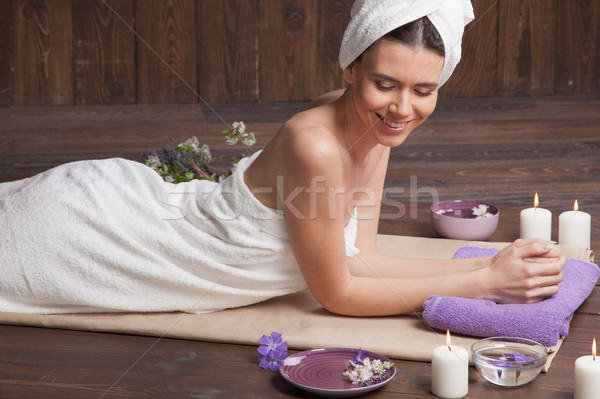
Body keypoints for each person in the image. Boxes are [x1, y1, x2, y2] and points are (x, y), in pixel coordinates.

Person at [0, 0, 564, 315]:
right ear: (349, 69)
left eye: (424, 89)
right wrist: (486, 284)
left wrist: (487, 266)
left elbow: (359, 257)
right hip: (96, 231)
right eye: (385, 83)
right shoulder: (314, 144)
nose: (402, 107)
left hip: (134, 206)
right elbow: (337, 293)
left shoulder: (376, 128)